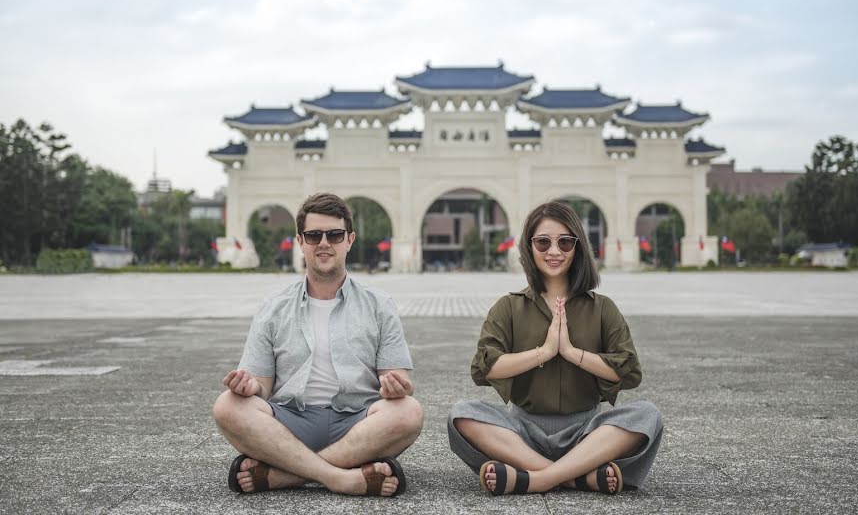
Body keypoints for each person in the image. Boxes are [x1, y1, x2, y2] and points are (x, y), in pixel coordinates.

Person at [213, 193, 423, 497]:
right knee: (228, 405)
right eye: (314, 235)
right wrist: (249, 388)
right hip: (289, 421)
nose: (324, 243)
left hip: (356, 423)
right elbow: (261, 386)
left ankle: (284, 476)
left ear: (349, 240)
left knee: (409, 412)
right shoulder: (273, 307)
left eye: (334, 235)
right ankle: (341, 477)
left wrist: (396, 388)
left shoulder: (380, 306)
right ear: (301, 241)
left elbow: (400, 381)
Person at [447, 201, 663, 496]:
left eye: (565, 242)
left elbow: (627, 372)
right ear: (529, 246)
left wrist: (572, 353)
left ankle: (535, 479)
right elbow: (485, 367)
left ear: (578, 247)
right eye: (543, 242)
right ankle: (577, 477)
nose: (554, 251)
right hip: (523, 433)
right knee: (462, 413)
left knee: (647, 415)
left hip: (587, 433)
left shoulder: (602, 308)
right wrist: (545, 352)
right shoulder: (508, 307)